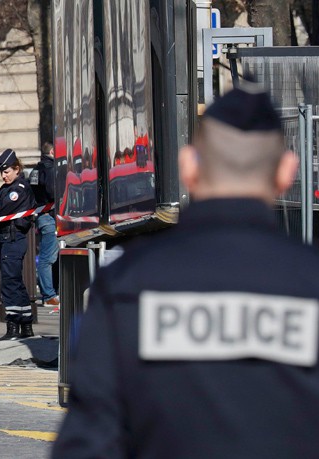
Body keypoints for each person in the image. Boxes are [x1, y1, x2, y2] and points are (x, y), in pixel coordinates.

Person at [51, 85, 319, 458]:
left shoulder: (129, 285)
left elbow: (89, 442)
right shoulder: (310, 286)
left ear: (190, 166)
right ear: (288, 170)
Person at [0, 149, 36, 340]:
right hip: (6, 239)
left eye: (7, 171)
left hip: (13, 239)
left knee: (10, 282)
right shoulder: (6, 189)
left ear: (16, 169)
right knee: (15, 281)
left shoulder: (18, 188)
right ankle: (26, 323)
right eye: (2, 172)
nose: (4, 175)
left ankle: (14, 325)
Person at [29, 141, 59, 308]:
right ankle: (49, 295)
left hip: (42, 216)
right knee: (48, 258)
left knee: (48, 257)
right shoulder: (51, 169)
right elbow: (52, 192)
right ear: (53, 151)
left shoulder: (36, 169)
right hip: (50, 216)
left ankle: (51, 292)